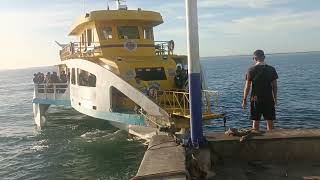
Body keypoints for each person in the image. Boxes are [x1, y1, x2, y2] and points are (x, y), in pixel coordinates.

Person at [242, 50, 278, 131]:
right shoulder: (271, 69)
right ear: (264, 57)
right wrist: (275, 98)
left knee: (255, 122)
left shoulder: (251, 70)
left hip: (255, 99)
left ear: (254, 58)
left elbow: (247, 87)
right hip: (268, 98)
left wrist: (244, 100)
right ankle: (271, 141)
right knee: (270, 122)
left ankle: (256, 143)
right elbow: (275, 86)